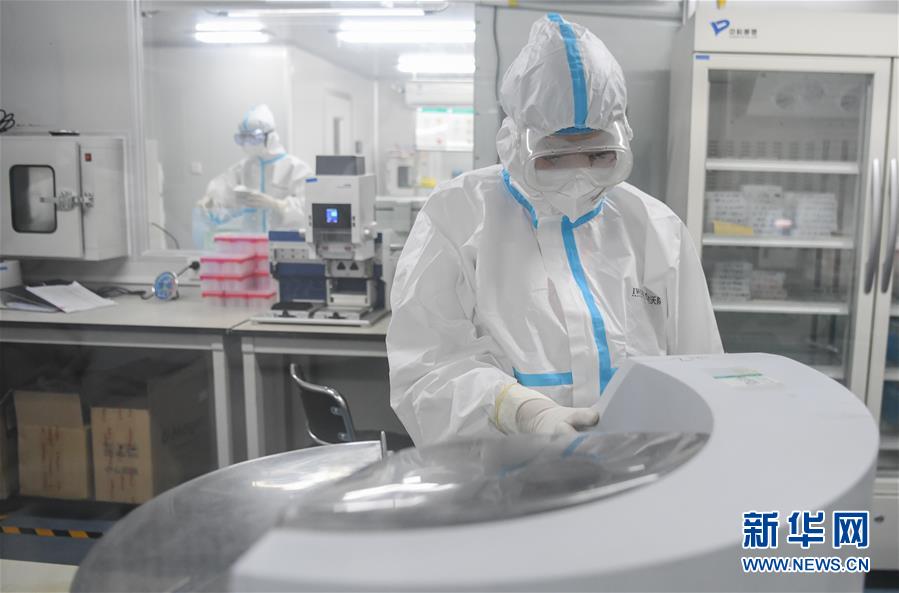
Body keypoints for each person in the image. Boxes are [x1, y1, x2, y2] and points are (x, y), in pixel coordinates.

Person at [386, 13, 723, 446]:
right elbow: (424, 369)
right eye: (554, 159)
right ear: (513, 142)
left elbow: (703, 370)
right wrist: (519, 410)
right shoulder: (457, 215)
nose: (578, 177)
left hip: (639, 468)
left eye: (598, 156)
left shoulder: (656, 228)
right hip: (503, 472)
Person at [197, 104, 311, 230]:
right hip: (250, 239)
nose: (247, 144)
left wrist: (276, 204)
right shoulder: (242, 168)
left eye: (254, 138)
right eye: (243, 138)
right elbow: (222, 192)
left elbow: (308, 208)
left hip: (285, 240)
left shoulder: (296, 169)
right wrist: (211, 200)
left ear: (270, 137)